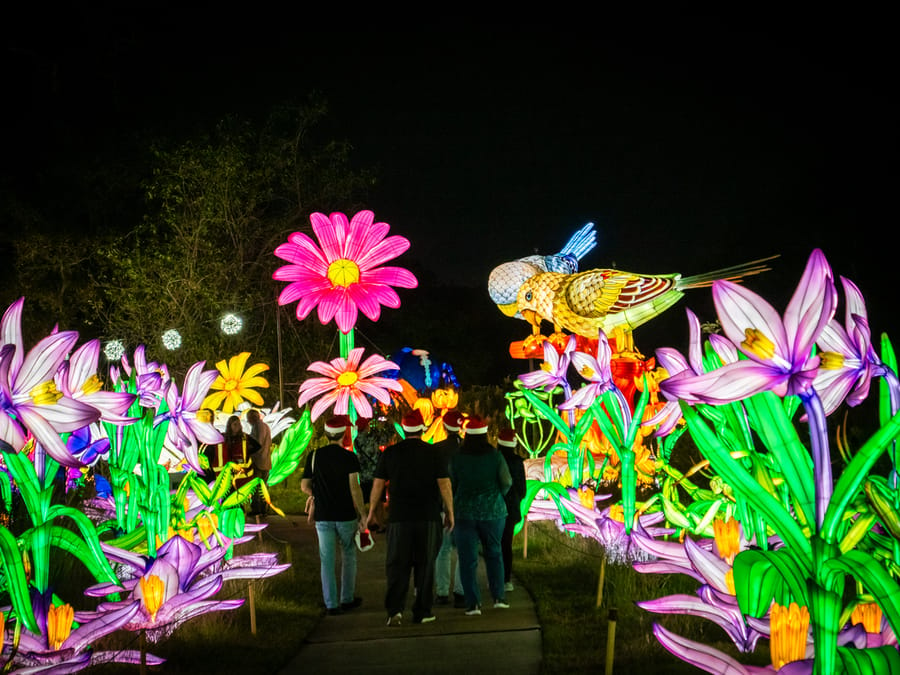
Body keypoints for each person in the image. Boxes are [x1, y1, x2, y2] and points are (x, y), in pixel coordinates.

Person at [366, 409, 454, 626]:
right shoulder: (434, 453)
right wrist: (450, 511)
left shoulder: (391, 453)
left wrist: (371, 513)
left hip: (399, 517)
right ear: (422, 429)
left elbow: (378, 484)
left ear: (404, 430)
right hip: (428, 516)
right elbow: (444, 483)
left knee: (397, 564)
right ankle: (422, 611)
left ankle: (395, 611)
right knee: (425, 565)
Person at [301, 415, 367, 616]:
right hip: (346, 514)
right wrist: (362, 514)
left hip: (324, 515)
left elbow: (304, 486)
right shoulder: (349, 458)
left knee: (326, 560)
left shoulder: (314, 456)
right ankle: (347, 599)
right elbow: (354, 488)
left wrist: (317, 493)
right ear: (342, 434)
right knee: (349, 555)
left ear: (327, 434)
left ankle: (331, 604)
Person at [450, 415, 511, 616]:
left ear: (466, 435)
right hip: (493, 512)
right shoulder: (495, 456)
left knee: (468, 559)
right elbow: (507, 481)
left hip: (464, 512)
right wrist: (497, 495)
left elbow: (452, 482)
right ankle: (498, 598)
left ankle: (473, 604)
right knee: (494, 553)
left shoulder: (458, 457)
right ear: (485, 435)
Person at [433, 410, 466, 607]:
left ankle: (442, 592)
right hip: (462, 504)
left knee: (442, 550)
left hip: (441, 505)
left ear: (444, 427)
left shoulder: (436, 450)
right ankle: (461, 592)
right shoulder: (466, 449)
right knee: (463, 550)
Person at [497, 427, 527, 592]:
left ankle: (495, 577)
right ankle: (506, 579)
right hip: (511, 509)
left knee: (494, 544)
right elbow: (523, 490)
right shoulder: (518, 462)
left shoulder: (495, 459)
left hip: (495, 507)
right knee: (506, 544)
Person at [207, 415, 260, 488]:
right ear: (230, 425)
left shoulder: (244, 437)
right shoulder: (223, 437)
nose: (237, 426)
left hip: (242, 477)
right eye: (235, 424)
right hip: (227, 477)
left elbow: (257, 446)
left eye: (239, 424)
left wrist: (247, 452)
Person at [245, 408, 273, 516]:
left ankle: (257, 509)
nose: (248, 421)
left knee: (257, 486)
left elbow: (258, 443)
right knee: (263, 486)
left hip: (259, 461)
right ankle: (263, 508)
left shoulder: (258, 426)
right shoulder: (265, 426)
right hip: (265, 460)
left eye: (249, 418)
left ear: (253, 417)